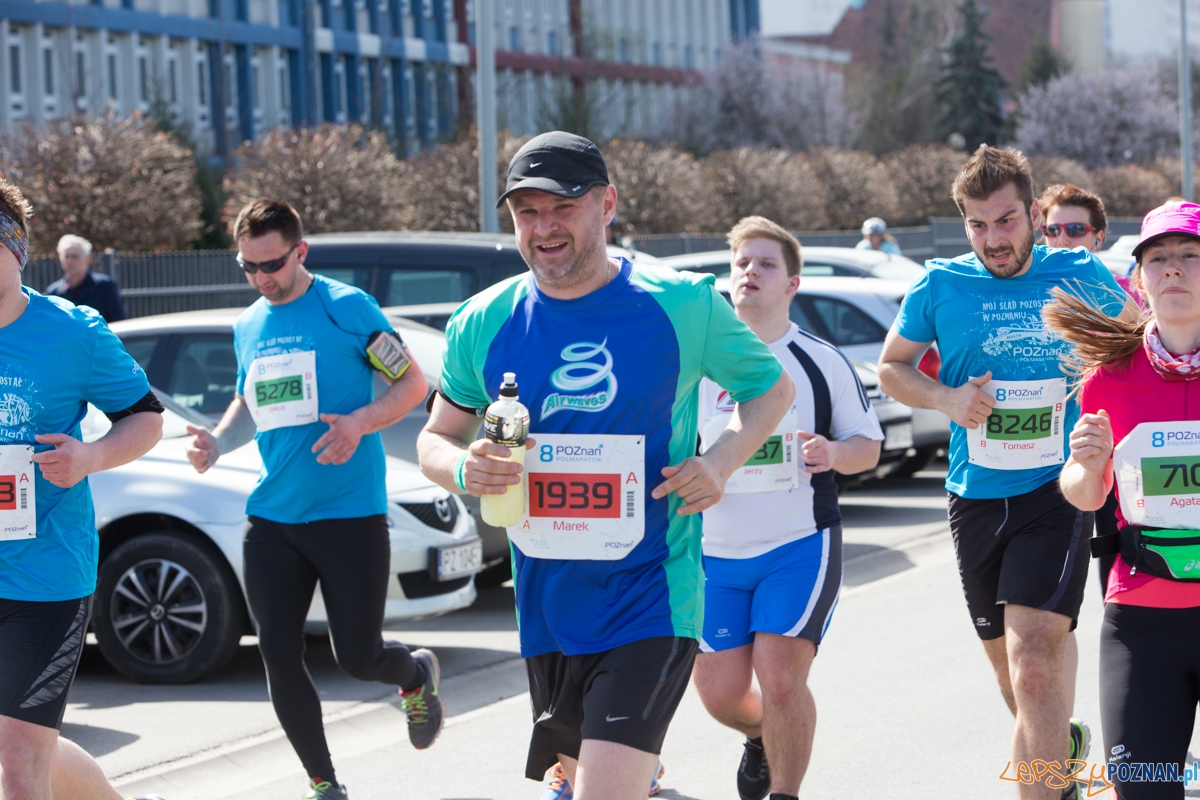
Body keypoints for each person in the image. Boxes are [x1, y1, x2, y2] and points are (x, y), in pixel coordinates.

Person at [416, 131, 794, 800]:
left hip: (654, 594)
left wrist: (723, 458)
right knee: (577, 785)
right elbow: (435, 438)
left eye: (561, 206)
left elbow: (771, 389)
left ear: (607, 204)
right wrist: (463, 469)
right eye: (526, 212)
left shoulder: (681, 305)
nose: (543, 227)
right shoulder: (483, 320)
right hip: (547, 608)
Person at [877, 145, 1127, 800]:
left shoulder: (1078, 273)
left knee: (1036, 665)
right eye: (978, 225)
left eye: (1007, 221)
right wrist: (946, 399)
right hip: (975, 499)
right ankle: (1061, 750)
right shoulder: (940, 285)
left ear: (1035, 214)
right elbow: (891, 367)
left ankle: (1049, 790)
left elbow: (1141, 341)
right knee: (1012, 679)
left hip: (1058, 489)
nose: (994, 239)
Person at [184, 198, 435, 800]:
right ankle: (323, 782)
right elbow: (251, 402)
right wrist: (217, 443)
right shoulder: (248, 324)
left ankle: (414, 676)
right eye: (247, 266)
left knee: (358, 656)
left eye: (271, 264)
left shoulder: (349, 310)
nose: (260, 278)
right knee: (276, 647)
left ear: (301, 251)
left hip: (349, 514)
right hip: (272, 516)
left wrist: (358, 423)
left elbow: (412, 384)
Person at [691, 216, 883, 800]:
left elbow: (868, 448)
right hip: (711, 553)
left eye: (766, 263)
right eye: (742, 262)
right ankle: (762, 739)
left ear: (792, 284)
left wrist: (832, 452)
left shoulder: (820, 361)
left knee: (779, 679)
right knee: (722, 696)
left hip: (798, 545)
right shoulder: (695, 364)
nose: (751, 271)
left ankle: (785, 793)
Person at [0, 179, 166, 800]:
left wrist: (90, 456)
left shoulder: (74, 332)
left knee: (19, 771)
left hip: (45, 578)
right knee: (22, 745)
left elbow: (146, 416)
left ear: (16, 250)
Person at [1047, 200, 1200, 800]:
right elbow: (1084, 495)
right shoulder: (1109, 377)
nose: (1173, 270)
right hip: (1142, 616)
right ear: (1139, 279)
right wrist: (1085, 464)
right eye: (1157, 259)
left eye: (1190, 257)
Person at [44, 235, 128, 323]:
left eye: (75, 256)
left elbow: (120, 322)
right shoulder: (53, 293)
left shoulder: (104, 287)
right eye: (66, 256)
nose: (69, 261)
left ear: (88, 259)